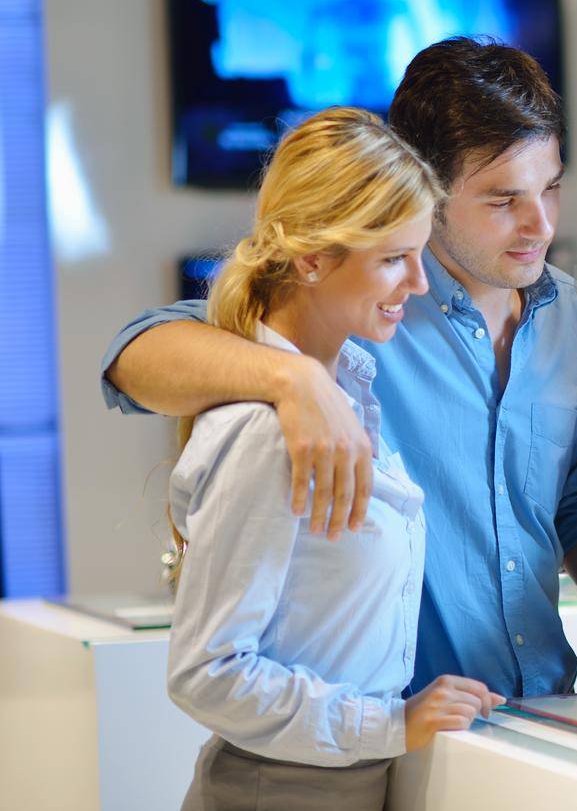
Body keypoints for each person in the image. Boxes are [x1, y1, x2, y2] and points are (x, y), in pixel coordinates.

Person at [105, 39, 577, 697]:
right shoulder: (363, 309)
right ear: (427, 188)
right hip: (390, 735)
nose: (541, 224)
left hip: (543, 712)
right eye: (503, 201)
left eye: (552, 187)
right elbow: (136, 356)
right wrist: (294, 379)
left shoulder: (576, 319)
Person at [166, 107, 501, 809]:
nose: (417, 282)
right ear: (313, 258)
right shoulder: (266, 432)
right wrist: (385, 724)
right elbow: (207, 671)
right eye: (392, 258)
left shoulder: (352, 391)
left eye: (419, 253)